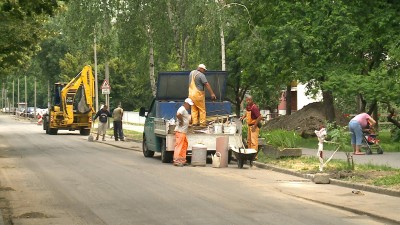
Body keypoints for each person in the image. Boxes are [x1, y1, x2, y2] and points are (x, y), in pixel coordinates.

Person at [173, 98, 194, 167]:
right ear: (186, 103)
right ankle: (176, 160)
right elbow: (178, 114)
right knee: (179, 146)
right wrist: (181, 121)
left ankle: (182, 160)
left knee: (184, 145)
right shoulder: (182, 109)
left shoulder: (185, 110)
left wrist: (187, 123)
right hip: (180, 131)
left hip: (183, 132)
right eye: (189, 105)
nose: (189, 106)